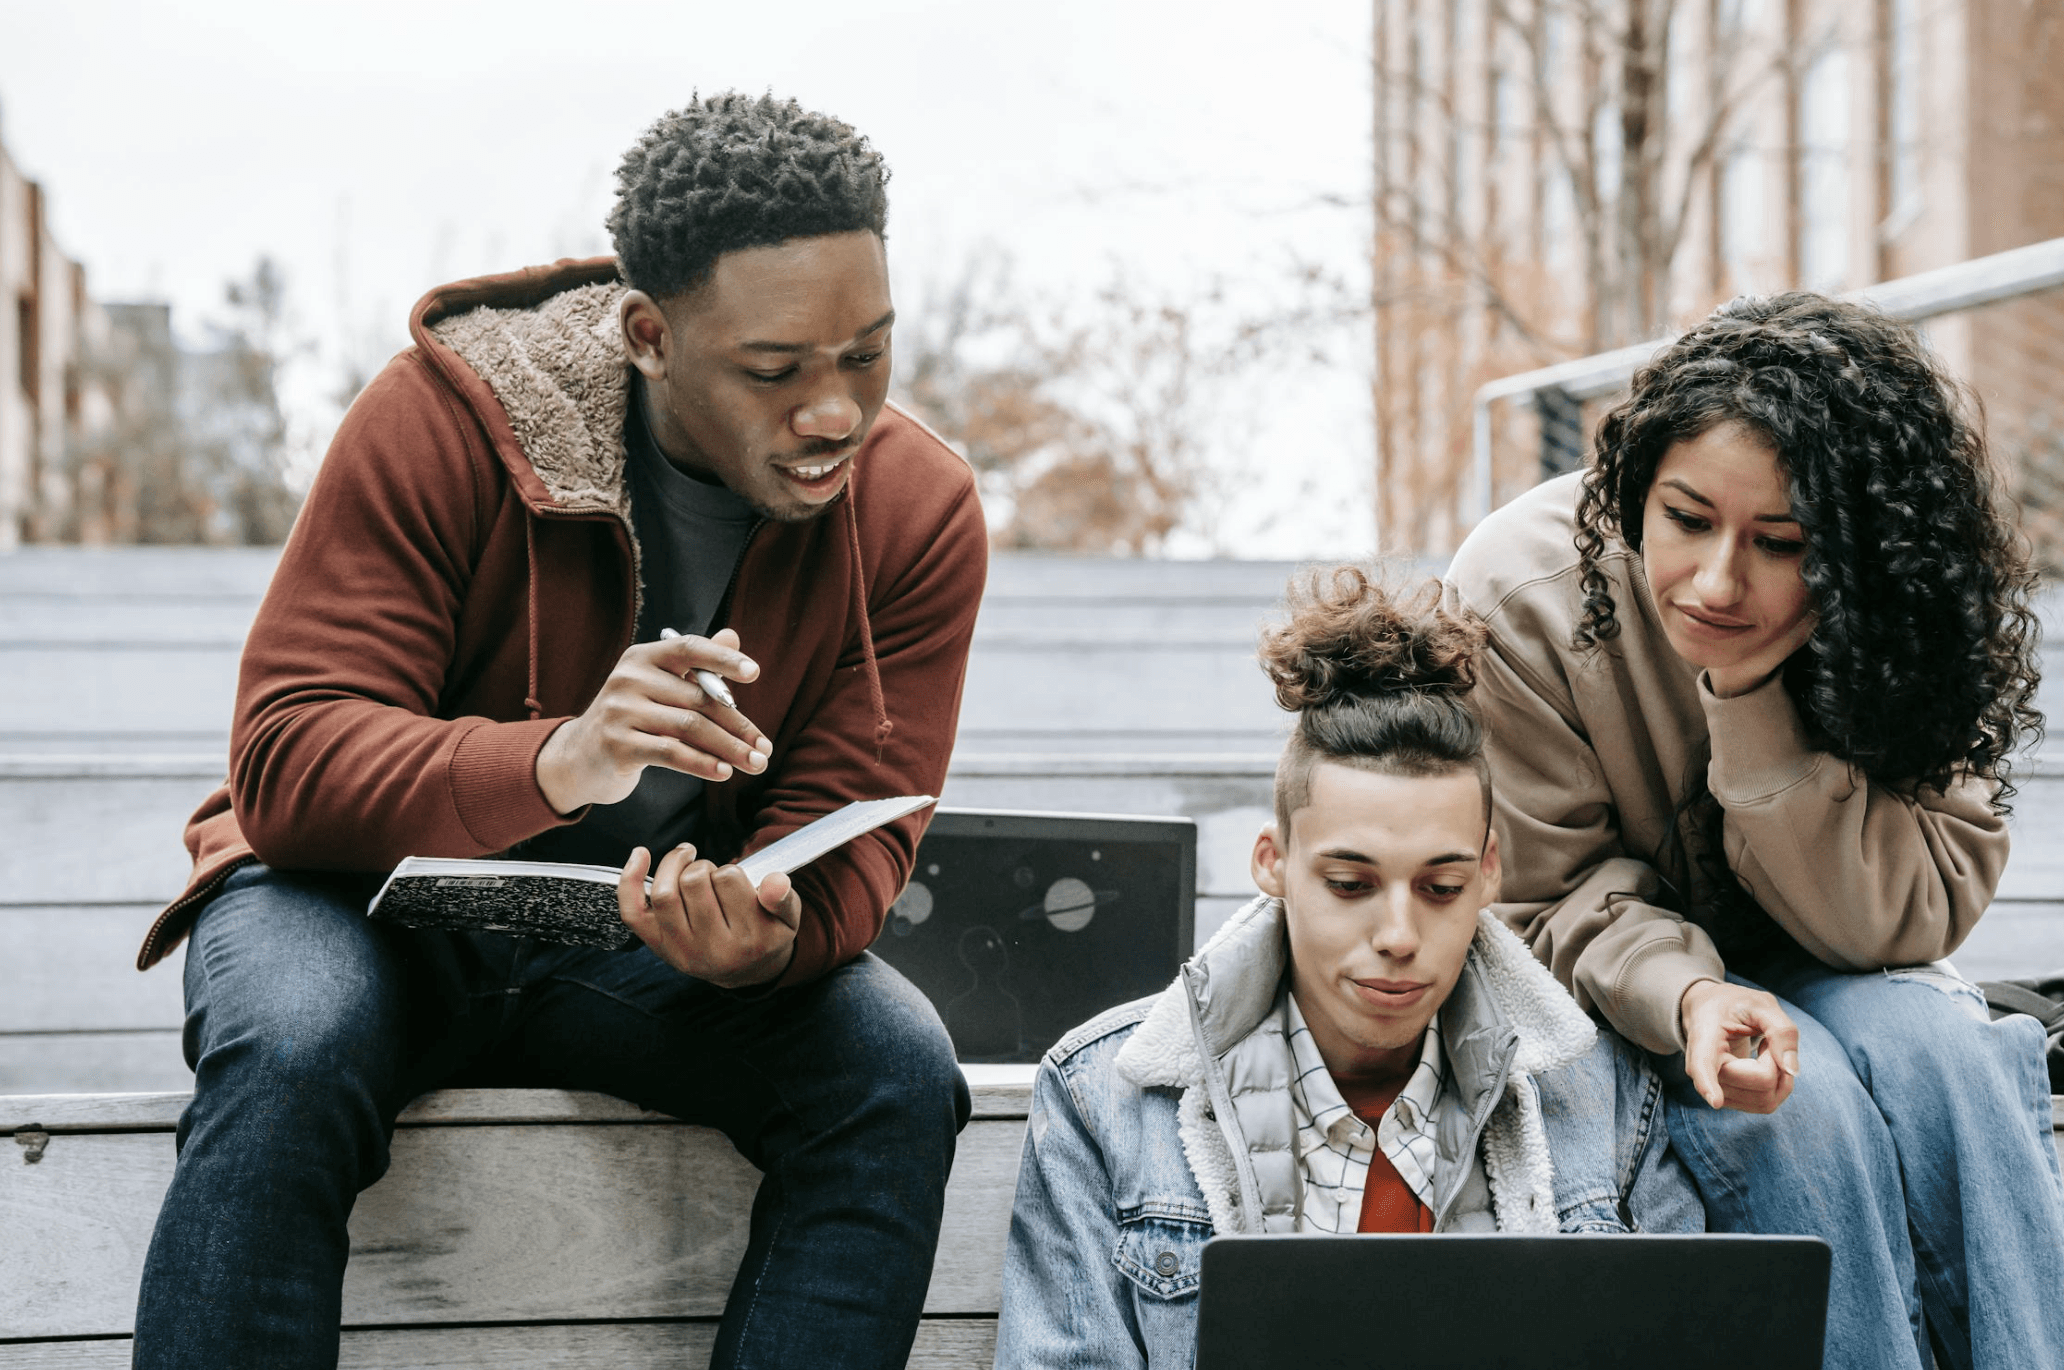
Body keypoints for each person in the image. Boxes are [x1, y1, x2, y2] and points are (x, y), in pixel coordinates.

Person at [129, 93, 987, 1370]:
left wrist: (770, 938)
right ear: (649, 333)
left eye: (867, 353)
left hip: (624, 941)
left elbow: (861, 816)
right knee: (295, 1045)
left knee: (898, 1068)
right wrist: (556, 758)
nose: (834, 413)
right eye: (774, 369)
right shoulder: (444, 416)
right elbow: (286, 757)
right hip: (353, 903)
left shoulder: (919, 509)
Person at [1447, 292, 2064, 1370]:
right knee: (1793, 1097)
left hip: (1849, 960)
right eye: (1685, 520)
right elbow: (1543, 894)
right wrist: (1691, 991)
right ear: (1634, 489)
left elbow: (1908, 915)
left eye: (1780, 543)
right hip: (1628, 995)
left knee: (1942, 1053)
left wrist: (1748, 697)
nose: (1719, 580)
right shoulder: (1518, 590)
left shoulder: (1901, 602)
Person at [992, 570, 1702, 1369]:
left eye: (1441, 887)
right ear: (1273, 864)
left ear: (1491, 872)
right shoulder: (1106, 1100)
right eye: (1350, 885)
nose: (1398, 934)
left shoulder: (1604, 1099)